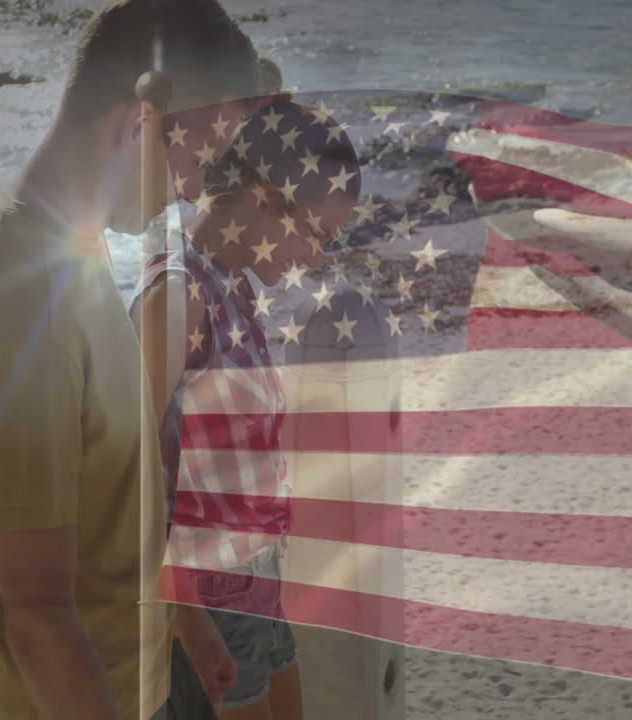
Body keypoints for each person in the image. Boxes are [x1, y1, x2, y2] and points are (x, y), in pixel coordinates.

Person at [0, 1, 263, 718]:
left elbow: (111, 492)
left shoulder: (65, 250)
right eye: (205, 158)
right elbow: (40, 619)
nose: (202, 189)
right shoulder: (20, 293)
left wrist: (188, 628)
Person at [128, 97, 362, 720]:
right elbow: (125, 478)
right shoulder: (179, 298)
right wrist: (193, 621)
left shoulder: (235, 286)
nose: (315, 258)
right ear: (263, 197)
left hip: (253, 580)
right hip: (203, 599)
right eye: (315, 234)